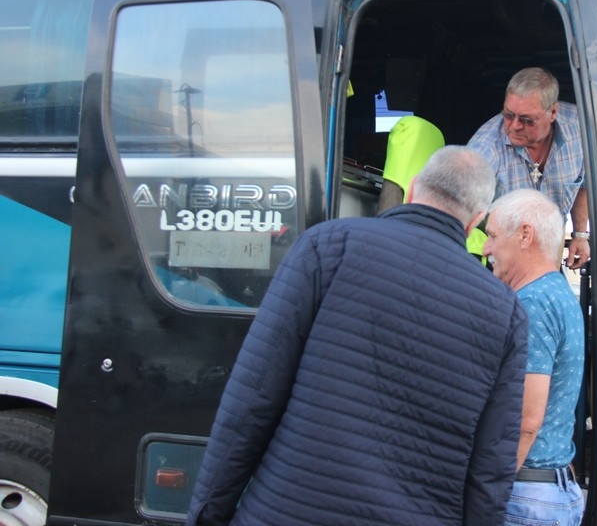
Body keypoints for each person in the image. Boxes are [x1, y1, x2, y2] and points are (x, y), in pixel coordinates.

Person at [186, 146, 529, 526]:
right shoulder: (506, 313)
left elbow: (252, 398)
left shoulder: (327, 246)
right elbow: (491, 468)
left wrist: (208, 514)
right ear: (476, 219)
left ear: (412, 188)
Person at [482, 189, 586, 526]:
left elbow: (526, 421)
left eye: (493, 236)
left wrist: (488, 493)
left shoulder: (532, 303)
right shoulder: (558, 292)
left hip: (523, 496)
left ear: (525, 235)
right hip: (550, 490)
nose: (485, 249)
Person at [467, 67, 590, 270]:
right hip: (501, 257)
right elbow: (457, 216)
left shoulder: (580, 129)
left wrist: (580, 235)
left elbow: (583, 184)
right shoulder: (483, 150)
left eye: (526, 120)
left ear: (553, 113)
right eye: (508, 115)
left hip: (551, 247)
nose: (514, 126)